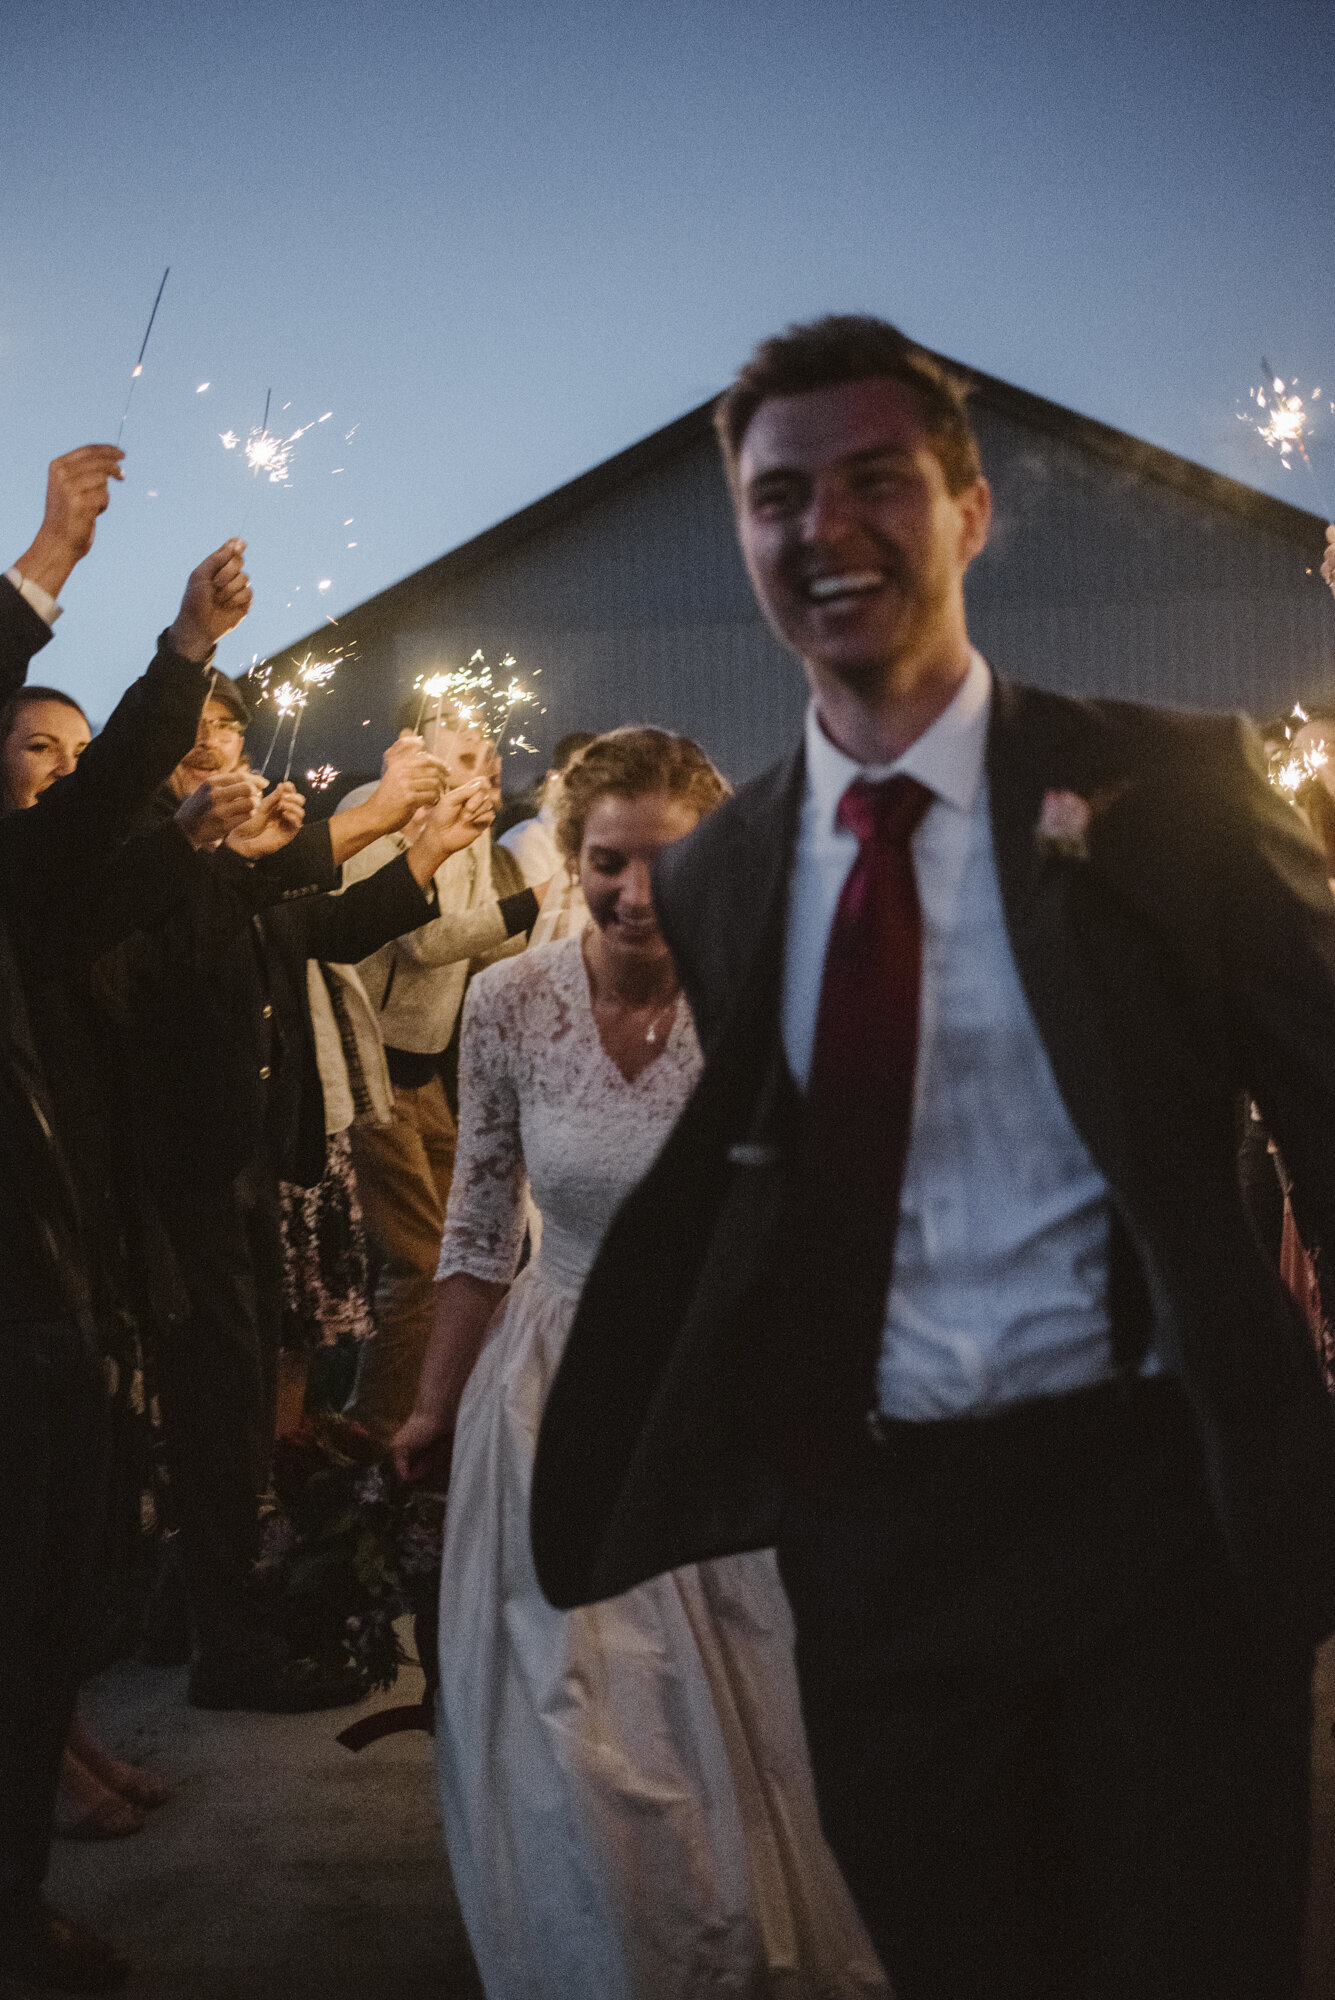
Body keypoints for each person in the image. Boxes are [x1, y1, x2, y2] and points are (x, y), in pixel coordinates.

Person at [531, 317, 1335, 2000]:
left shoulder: (1165, 788)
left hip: (1158, 1520)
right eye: (778, 495)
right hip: (881, 1545)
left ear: (973, 512)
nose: (826, 527)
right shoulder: (730, 873)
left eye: (878, 480)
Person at [394, 726, 884, 2000]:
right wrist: (436, 1400)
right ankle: (612, 1954)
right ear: (571, 856)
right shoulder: (507, 1002)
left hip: (726, 1386)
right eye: (608, 861)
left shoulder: (773, 995)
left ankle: (738, 1941)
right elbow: (478, 1219)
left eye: (667, 863)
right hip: (554, 1388)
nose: (634, 891)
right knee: (579, 1718)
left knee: (740, 1706)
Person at [0, 458, 251, 1993]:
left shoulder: (31, 890)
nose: (44, 770)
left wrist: (181, 658)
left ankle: (17, 1886)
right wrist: (45, 557)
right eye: (19, 739)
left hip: (44, 1294)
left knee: (48, 1610)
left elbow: (105, 834)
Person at [114, 694, 488, 1711]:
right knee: (212, 1406)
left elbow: (323, 926)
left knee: (238, 1401)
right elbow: (185, 957)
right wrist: (352, 826)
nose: (215, 737)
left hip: (251, 1160)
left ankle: (202, 1612)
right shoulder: (148, 856)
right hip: (183, 1172)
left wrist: (422, 853)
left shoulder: (240, 851)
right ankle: (224, 1641)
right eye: (194, 722)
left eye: (229, 721)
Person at [337, 712, 545, 1441]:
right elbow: (424, 942)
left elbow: (477, 945)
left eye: (491, 753)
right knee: (417, 1261)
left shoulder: (474, 823)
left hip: (426, 1070)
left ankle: (445, 1421)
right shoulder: (373, 809)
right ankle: (370, 1441)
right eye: (467, 752)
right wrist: (531, 905)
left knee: (466, 1248)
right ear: (416, 750)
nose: (486, 766)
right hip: (373, 1068)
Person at [497, 730, 596, 885]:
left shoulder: (606, 840)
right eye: (581, 775)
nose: (593, 785)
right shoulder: (527, 841)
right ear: (554, 778)